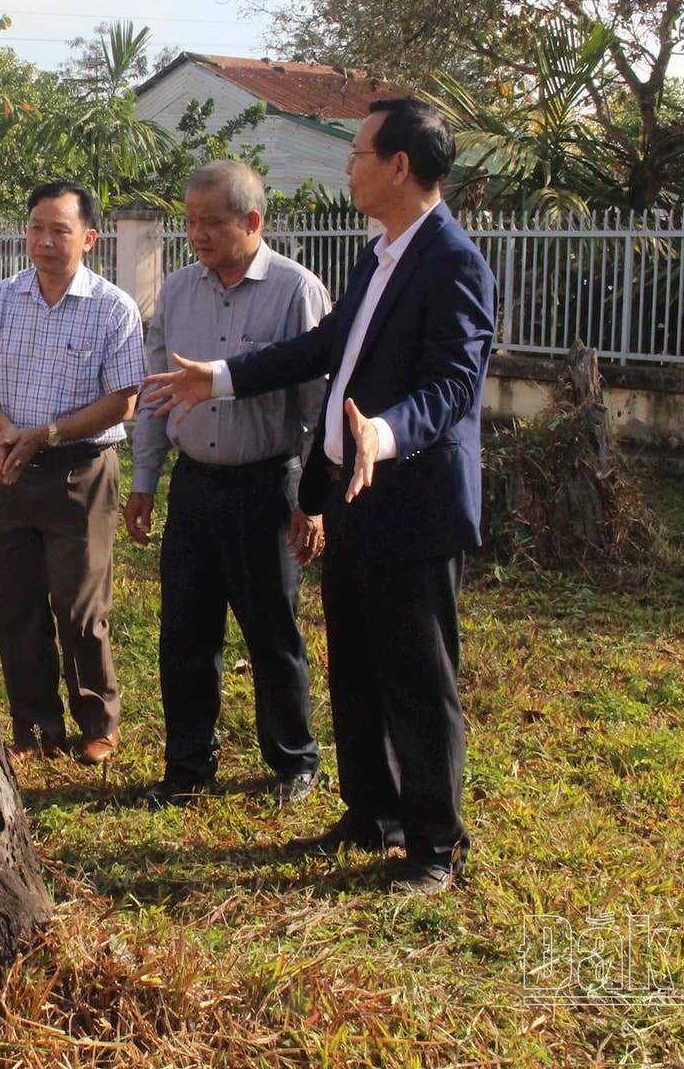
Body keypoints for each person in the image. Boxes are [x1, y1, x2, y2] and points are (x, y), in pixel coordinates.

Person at [144, 100, 496, 893]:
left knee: (418, 678)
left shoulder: (453, 261)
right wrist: (222, 377)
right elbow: (321, 348)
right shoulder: (381, 256)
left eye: (360, 152)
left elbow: (452, 386)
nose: (350, 166)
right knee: (359, 670)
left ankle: (434, 846)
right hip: (352, 498)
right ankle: (372, 813)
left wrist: (385, 432)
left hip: (412, 500)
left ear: (399, 166)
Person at [125, 159, 332, 810]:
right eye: (189, 223)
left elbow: (316, 407)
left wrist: (312, 501)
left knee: (272, 632)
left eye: (211, 223)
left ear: (252, 221)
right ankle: (188, 766)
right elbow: (155, 396)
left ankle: (293, 760)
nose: (198, 235)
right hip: (195, 488)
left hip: (266, 488)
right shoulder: (179, 293)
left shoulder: (296, 291)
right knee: (185, 631)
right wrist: (143, 482)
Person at [0, 181, 145, 766]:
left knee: (80, 604)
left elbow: (124, 401)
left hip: (80, 471)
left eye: (59, 229)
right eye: (36, 227)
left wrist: (51, 432)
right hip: (15, 466)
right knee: (17, 602)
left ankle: (97, 723)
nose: (43, 240)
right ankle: (34, 727)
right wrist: (9, 429)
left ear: (88, 238)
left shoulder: (113, 307)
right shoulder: (1, 298)